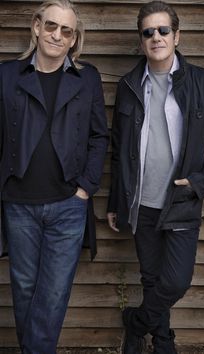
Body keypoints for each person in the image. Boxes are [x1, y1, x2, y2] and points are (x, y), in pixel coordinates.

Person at [107, 1, 204, 353]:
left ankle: (136, 322)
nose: (156, 37)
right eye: (149, 32)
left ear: (177, 36)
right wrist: (117, 200)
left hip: (180, 200)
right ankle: (163, 341)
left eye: (164, 30)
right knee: (151, 278)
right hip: (142, 200)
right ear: (141, 40)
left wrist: (200, 182)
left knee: (176, 281)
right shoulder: (130, 85)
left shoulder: (203, 83)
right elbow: (119, 150)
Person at [0, 0, 108, 353]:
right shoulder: (7, 75)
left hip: (67, 205)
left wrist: (85, 188)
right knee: (26, 290)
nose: (57, 35)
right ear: (36, 27)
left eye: (66, 30)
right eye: (51, 26)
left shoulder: (87, 78)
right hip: (18, 204)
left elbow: (98, 136)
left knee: (53, 294)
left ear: (74, 39)